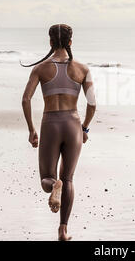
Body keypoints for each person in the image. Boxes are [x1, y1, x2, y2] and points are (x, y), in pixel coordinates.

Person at [21, 24, 96, 241]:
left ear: (50, 42)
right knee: (69, 178)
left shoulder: (40, 69)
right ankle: (63, 230)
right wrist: (84, 128)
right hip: (73, 124)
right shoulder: (83, 69)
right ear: (71, 42)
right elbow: (92, 104)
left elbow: (26, 99)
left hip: (51, 123)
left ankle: (54, 186)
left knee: (47, 177)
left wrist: (31, 130)